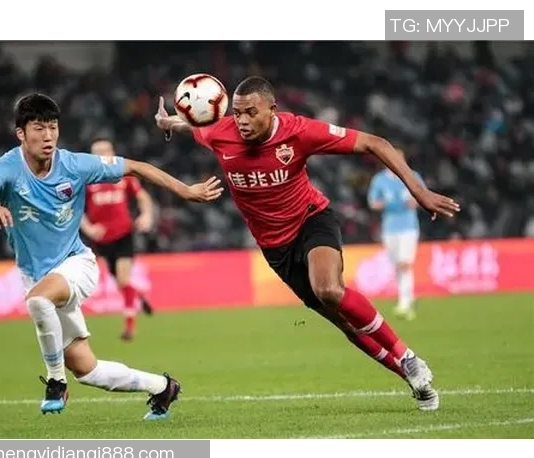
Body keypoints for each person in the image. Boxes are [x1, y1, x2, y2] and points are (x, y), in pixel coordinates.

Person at [155, 76, 461, 411]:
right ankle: (413, 379)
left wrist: (419, 191)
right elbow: (194, 126)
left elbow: (375, 143)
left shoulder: (299, 131)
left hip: (311, 220)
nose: (242, 121)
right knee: (345, 323)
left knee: (328, 289)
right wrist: (168, 122)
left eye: (251, 113)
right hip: (275, 248)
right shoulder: (219, 132)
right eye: (237, 113)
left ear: (272, 110)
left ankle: (407, 356)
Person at [0, 93, 223, 419]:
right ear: (21, 134)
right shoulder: (9, 166)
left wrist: (185, 190)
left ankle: (56, 382)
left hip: (76, 264)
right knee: (87, 369)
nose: (48, 136)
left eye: (53, 127)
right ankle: (162, 387)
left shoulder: (74, 164)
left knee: (38, 301)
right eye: (39, 128)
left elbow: (136, 168)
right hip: (36, 275)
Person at [81, 137, 155, 341]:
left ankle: (129, 327)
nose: (102, 155)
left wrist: (146, 215)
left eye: (105, 150)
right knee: (122, 283)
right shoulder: (86, 180)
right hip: (102, 239)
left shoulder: (124, 175)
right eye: (97, 152)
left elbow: (142, 197)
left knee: (122, 279)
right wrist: (89, 228)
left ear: (112, 153)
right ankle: (138, 295)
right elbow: (76, 210)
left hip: (124, 234)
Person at [368, 157, 425, 321]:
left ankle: (405, 302)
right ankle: (407, 298)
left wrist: (415, 201)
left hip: (408, 227)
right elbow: (373, 202)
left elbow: (422, 196)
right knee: (397, 266)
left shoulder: (412, 175)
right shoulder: (379, 180)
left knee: (404, 264)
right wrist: (387, 204)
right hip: (390, 228)